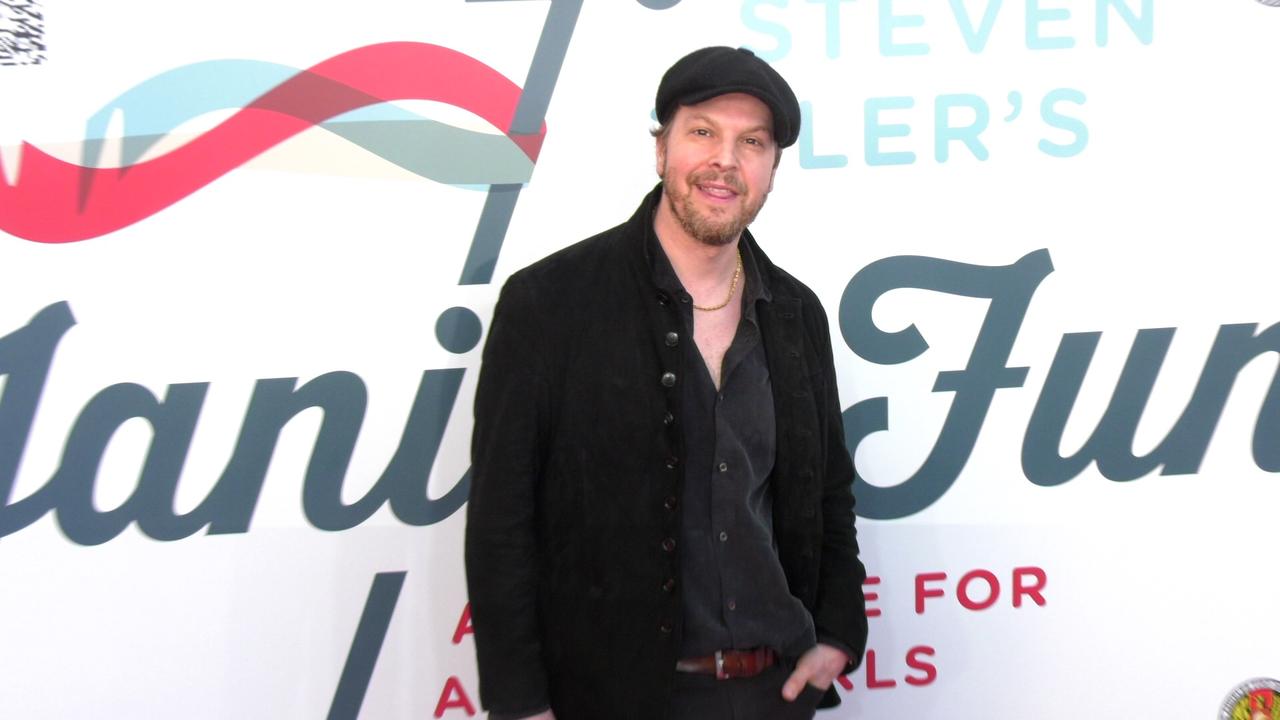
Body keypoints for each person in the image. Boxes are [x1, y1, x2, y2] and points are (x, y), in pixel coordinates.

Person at [465, 46, 868, 720]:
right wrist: (519, 702)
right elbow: (502, 522)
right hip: (608, 699)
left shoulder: (797, 314)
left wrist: (837, 632)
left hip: (771, 692)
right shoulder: (550, 303)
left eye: (753, 142)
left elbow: (827, 495)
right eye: (703, 132)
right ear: (662, 151)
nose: (726, 161)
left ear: (771, 169)